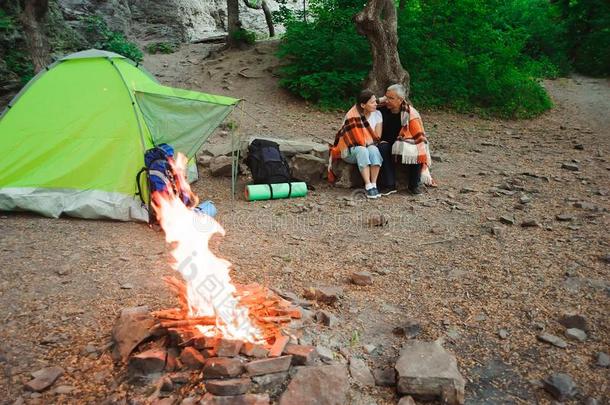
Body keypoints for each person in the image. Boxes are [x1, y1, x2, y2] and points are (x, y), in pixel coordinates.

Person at [376, 84, 433, 195]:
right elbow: (362, 105)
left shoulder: (410, 113)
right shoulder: (381, 109)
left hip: (405, 143)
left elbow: (419, 138)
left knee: (416, 148)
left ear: (400, 100)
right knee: (383, 148)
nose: (387, 100)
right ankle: (390, 185)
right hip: (386, 143)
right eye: (386, 97)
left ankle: (414, 185)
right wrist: (379, 100)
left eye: (391, 98)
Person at [328, 89, 383, 199]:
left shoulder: (377, 114)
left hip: (369, 146)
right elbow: (349, 141)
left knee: (374, 150)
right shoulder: (352, 116)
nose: (376, 104)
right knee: (362, 150)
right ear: (363, 105)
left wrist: (366, 142)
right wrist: (364, 142)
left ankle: (374, 184)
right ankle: (367, 185)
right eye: (372, 102)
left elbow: (377, 137)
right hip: (349, 150)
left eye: (375, 101)